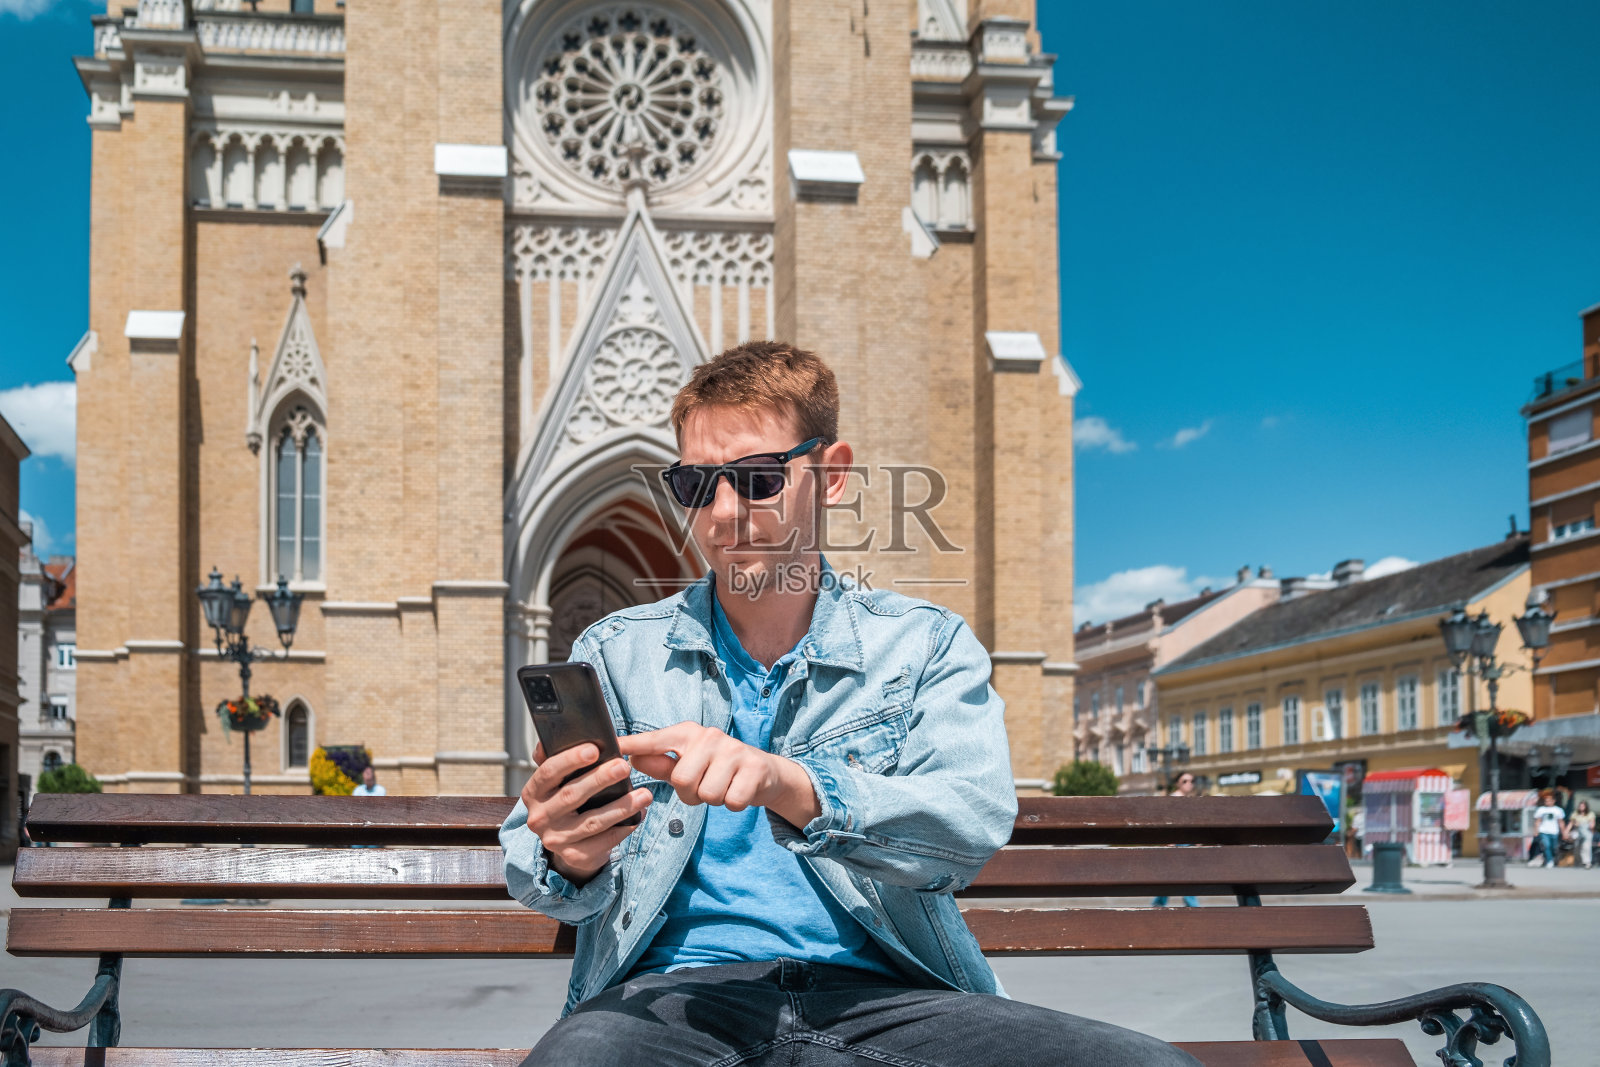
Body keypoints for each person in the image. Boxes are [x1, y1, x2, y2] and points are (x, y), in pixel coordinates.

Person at [501, 343, 1199, 1067]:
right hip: (674, 1001)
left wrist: (789, 784)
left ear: (831, 475)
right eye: (695, 484)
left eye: (759, 478)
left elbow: (970, 822)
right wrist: (566, 855)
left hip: (889, 997)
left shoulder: (924, 644)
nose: (723, 512)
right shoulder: (614, 652)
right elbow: (537, 869)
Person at [1151, 772, 1200, 909]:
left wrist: (1197, 840)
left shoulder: (1190, 800)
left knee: (1185, 875)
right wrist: (1169, 841)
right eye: (1185, 781)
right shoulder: (1173, 799)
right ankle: (1162, 902)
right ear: (1178, 783)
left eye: (1192, 781)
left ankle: (1161, 903)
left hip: (1187, 842)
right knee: (1172, 874)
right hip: (1176, 841)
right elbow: (1166, 821)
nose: (1189, 784)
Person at [1530, 791, 1565, 868]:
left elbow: (1561, 822)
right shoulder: (1541, 810)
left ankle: (1551, 858)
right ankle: (1549, 861)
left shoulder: (1558, 810)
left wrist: (1564, 833)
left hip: (1554, 831)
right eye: (1546, 801)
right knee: (1546, 846)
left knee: (1553, 847)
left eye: (1549, 800)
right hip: (1544, 831)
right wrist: (1536, 831)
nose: (1547, 802)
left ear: (1553, 801)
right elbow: (1538, 821)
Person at [1568, 801, 1595, 870]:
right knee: (1577, 848)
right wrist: (1566, 831)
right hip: (1578, 832)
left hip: (1587, 832)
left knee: (1586, 848)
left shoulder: (1590, 814)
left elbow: (1592, 823)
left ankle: (1587, 862)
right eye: (1580, 806)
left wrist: (1591, 826)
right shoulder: (1575, 814)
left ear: (1586, 807)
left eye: (1583, 806)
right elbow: (1571, 823)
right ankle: (1578, 862)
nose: (1581, 807)